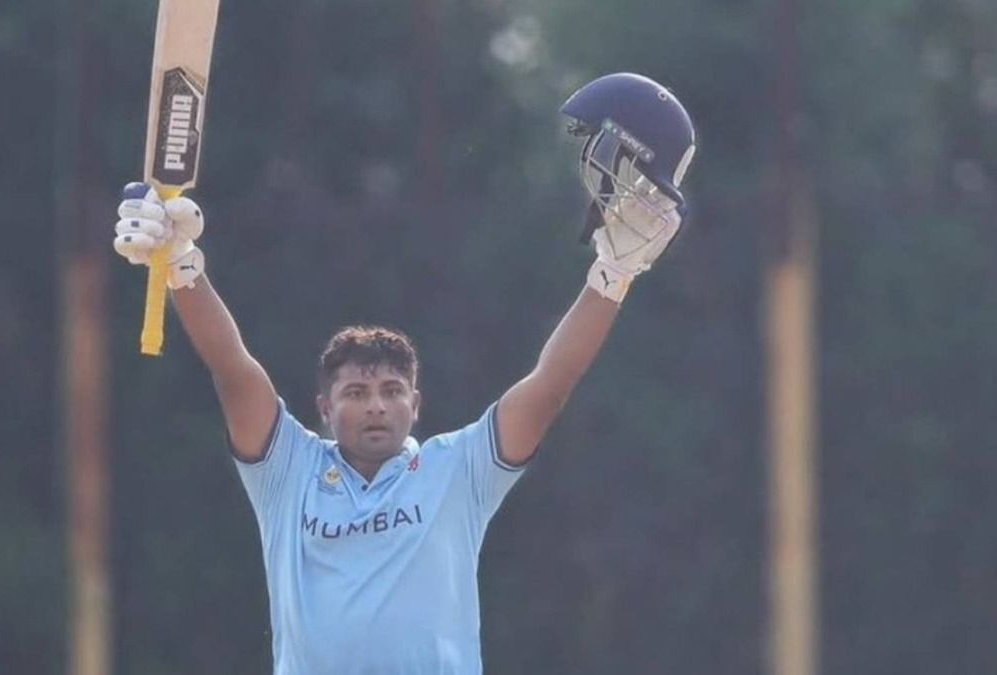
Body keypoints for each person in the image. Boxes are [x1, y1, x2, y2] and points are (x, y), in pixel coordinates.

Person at [112, 72, 696, 674]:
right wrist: (183, 265)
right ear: (324, 406)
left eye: (392, 392)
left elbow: (549, 386)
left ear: (416, 404)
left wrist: (612, 276)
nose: (375, 406)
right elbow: (233, 369)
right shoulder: (289, 473)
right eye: (356, 393)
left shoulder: (455, 472)